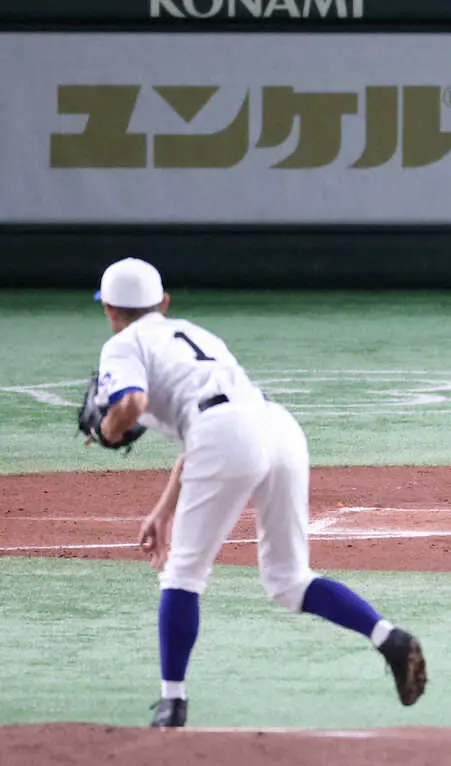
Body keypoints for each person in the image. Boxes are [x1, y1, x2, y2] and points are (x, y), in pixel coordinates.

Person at [86, 257, 426, 727]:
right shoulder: (195, 334)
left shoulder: (122, 344)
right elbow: (207, 427)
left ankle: (172, 706)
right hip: (278, 426)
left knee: (182, 575)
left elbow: (131, 404)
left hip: (224, 433)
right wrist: (166, 507)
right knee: (290, 579)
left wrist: (107, 429)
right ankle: (388, 638)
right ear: (163, 302)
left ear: (108, 310)